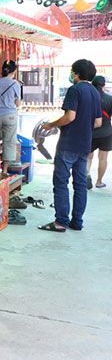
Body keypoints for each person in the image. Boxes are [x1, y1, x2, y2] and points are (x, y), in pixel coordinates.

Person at [39, 59, 102, 232]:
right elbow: (98, 122)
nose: (71, 74)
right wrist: (84, 126)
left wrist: (51, 125)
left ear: (77, 74)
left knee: (61, 182)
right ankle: (77, 222)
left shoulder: (75, 90)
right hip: (85, 145)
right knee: (80, 185)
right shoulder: (95, 92)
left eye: (73, 71)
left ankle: (61, 222)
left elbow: (70, 117)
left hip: (68, 144)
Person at [87, 75, 112, 189]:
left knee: (88, 157)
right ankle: (99, 181)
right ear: (104, 85)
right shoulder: (109, 98)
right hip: (106, 133)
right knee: (103, 158)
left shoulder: (88, 98)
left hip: (90, 132)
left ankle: (87, 175)